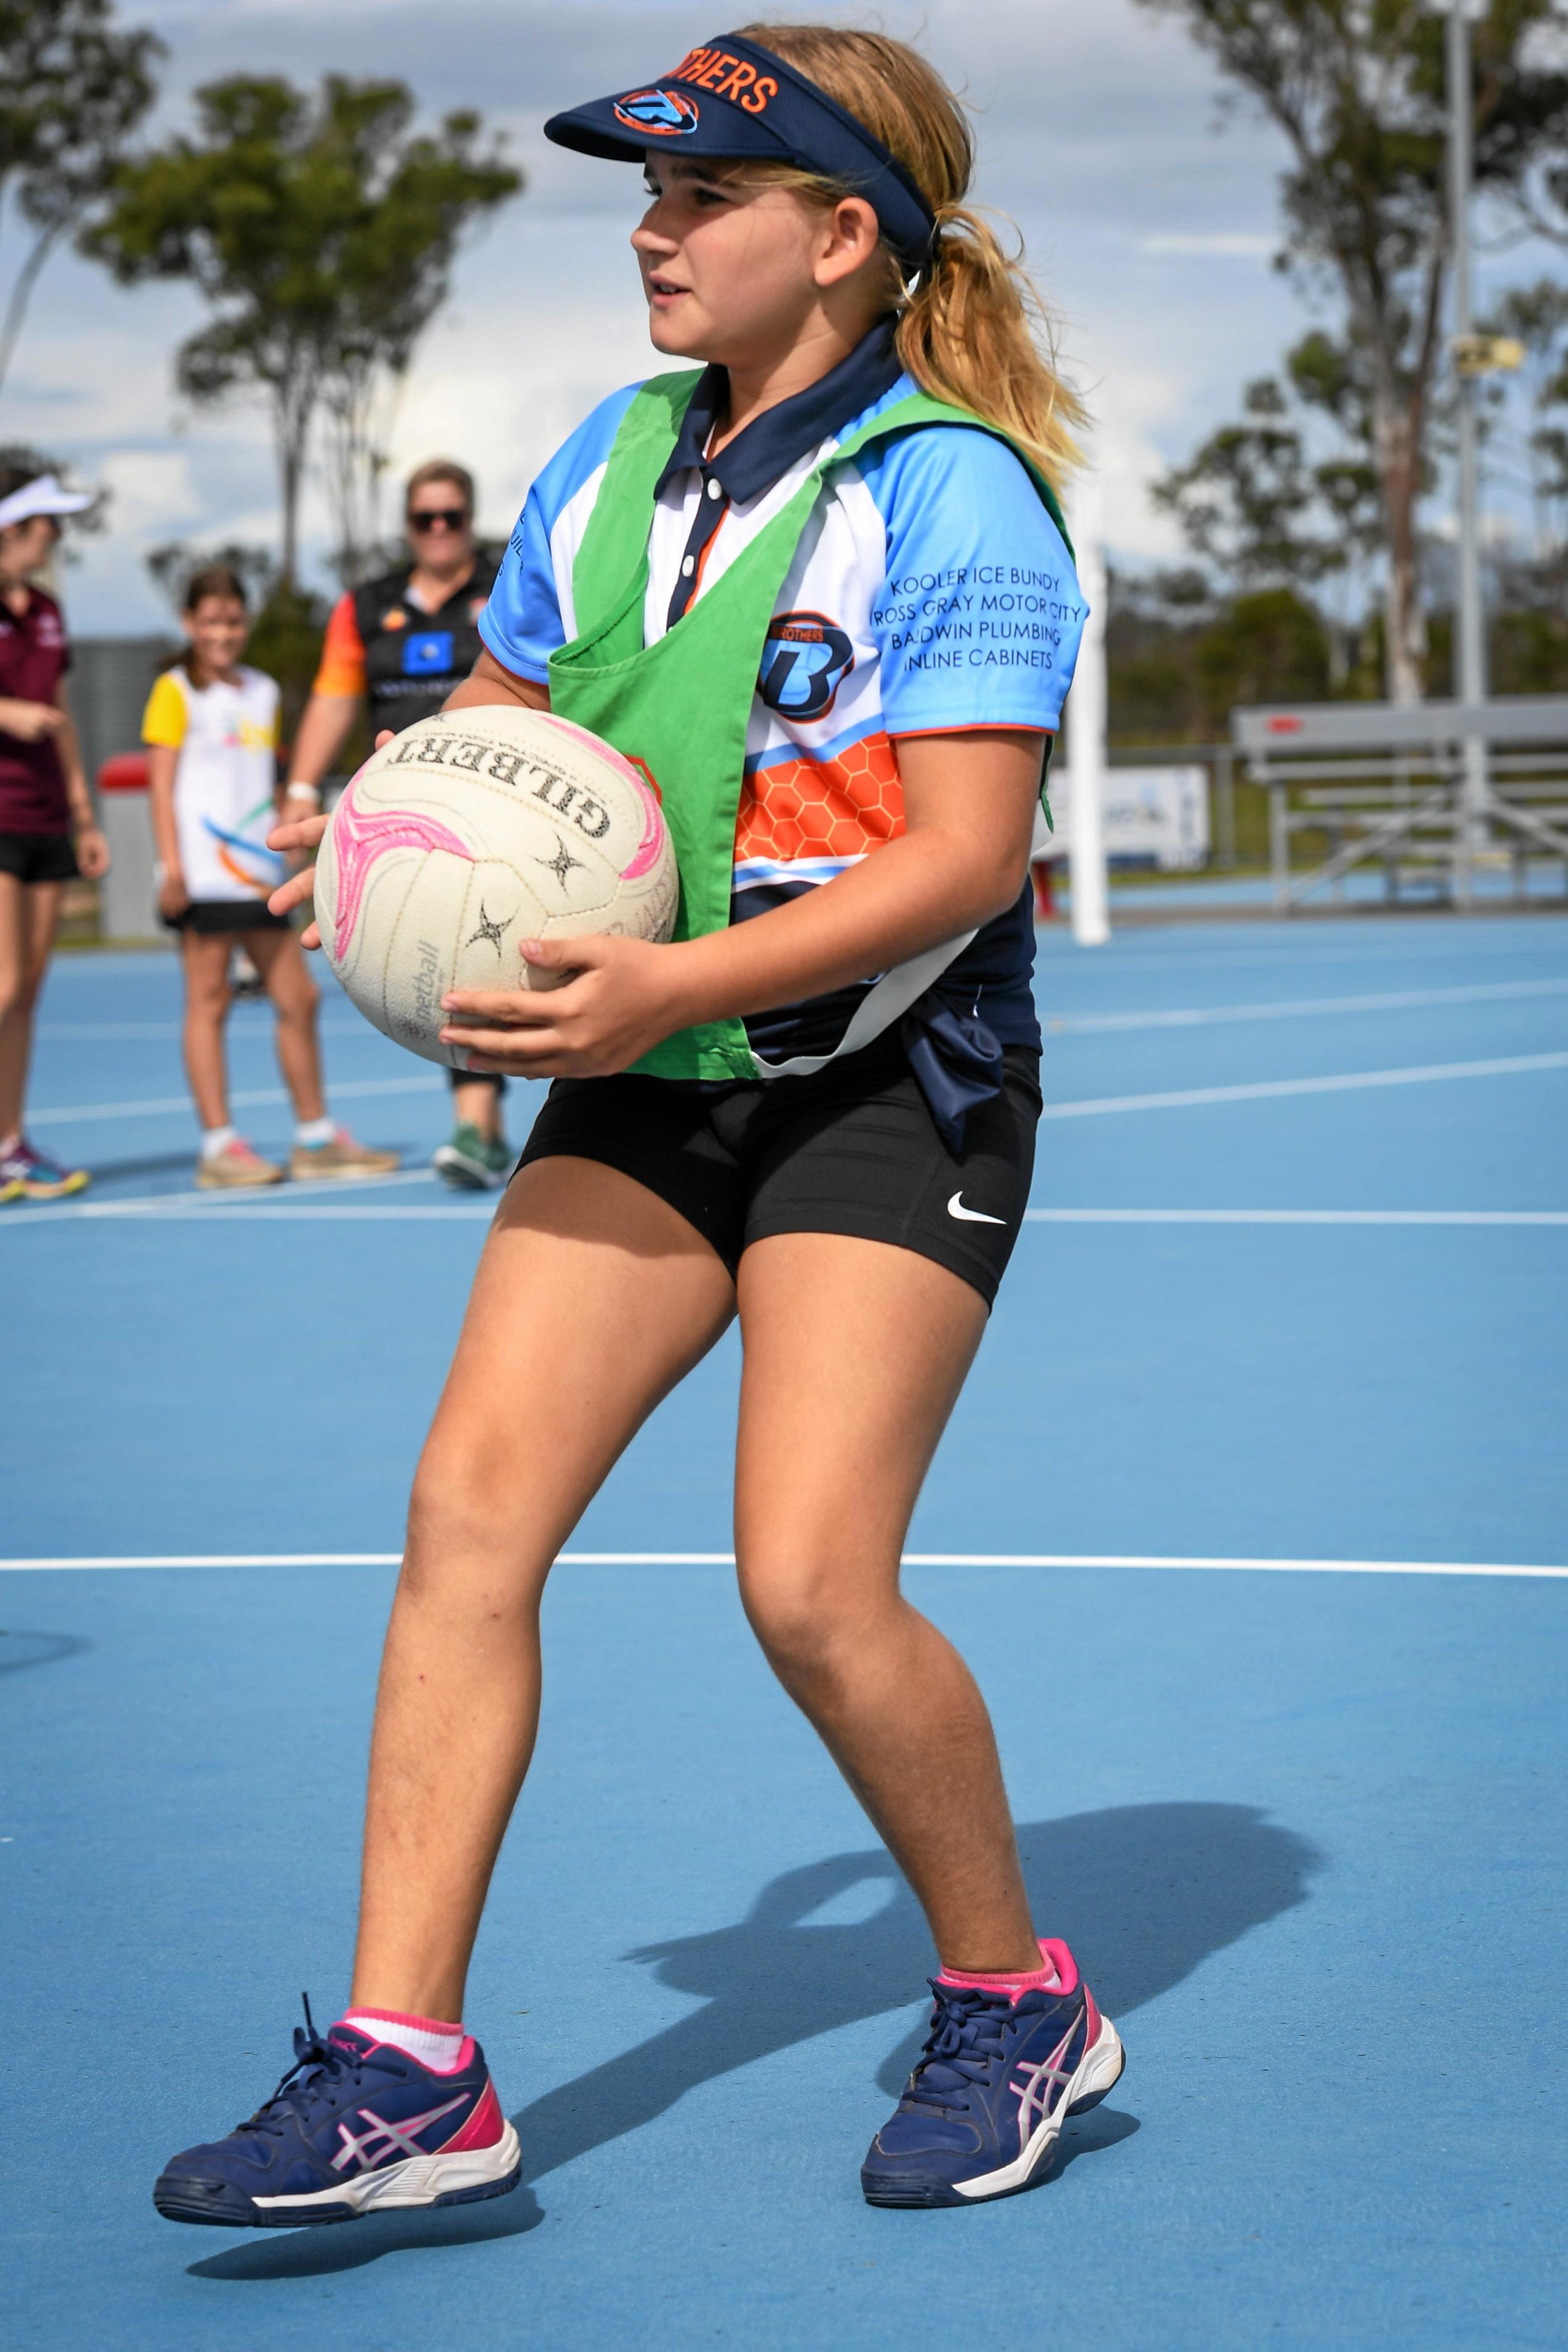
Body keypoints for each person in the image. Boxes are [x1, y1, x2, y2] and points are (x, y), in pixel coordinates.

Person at [154, 23, 1123, 2227]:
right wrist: (381, 834)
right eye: (649, 194)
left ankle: (1013, 1995)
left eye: (699, 200)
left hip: (887, 1077)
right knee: (463, 1522)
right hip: (644, 1070)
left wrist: (673, 977)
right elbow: (506, 713)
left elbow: (965, 853)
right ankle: (410, 2070)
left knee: (802, 1582)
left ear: (840, 235)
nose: (648, 231)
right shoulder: (609, 456)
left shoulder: (946, 488)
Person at [285, 460, 513, 1190]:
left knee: (468, 949)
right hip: (397, 815)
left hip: (492, 807)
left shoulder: (509, 584)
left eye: (452, 517)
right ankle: (484, 1125)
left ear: (468, 520)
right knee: (427, 951)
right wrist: (297, 785)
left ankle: (477, 1126)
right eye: (425, 519)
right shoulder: (365, 605)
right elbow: (332, 698)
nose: (439, 530)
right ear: (408, 526)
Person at [142, 565, 400, 1190]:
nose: (223, 632)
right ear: (189, 624)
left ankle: (315, 1138)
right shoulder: (175, 690)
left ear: (245, 622)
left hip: (259, 878)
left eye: (232, 620)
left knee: (299, 999)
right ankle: (219, 1145)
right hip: (203, 878)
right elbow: (160, 785)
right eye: (210, 621)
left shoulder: (260, 691)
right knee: (208, 1003)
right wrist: (171, 869)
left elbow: (267, 783)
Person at [0, 468, 109, 1204]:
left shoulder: (46, 610)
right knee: (3, 982)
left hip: (45, 815)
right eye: (49, 525)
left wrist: (83, 811)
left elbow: (61, 713)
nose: (58, 538)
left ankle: (10, 1144)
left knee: (28, 990)